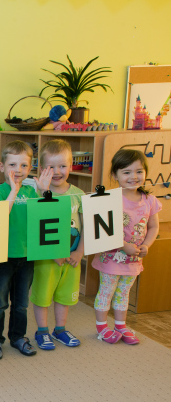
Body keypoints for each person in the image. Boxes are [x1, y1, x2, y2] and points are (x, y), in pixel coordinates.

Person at [0, 140, 52, 359]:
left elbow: (44, 218)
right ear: (2, 167)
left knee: (21, 304)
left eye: (23, 166)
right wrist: (13, 191)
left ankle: (18, 337)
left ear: (30, 168)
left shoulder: (32, 193)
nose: (18, 170)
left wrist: (44, 191)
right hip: (3, 257)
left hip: (26, 257)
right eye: (12, 165)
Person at [92, 149, 161, 345]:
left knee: (124, 293)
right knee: (106, 291)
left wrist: (147, 244)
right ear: (115, 175)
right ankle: (102, 327)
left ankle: (121, 326)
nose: (134, 176)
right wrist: (123, 246)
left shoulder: (149, 200)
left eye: (139, 171)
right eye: (127, 172)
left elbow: (153, 226)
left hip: (134, 259)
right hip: (112, 258)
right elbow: (102, 230)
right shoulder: (109, 198)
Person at [30, 139, 84, 350]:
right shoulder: (36, 194)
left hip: (71, 257)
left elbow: (86, 225)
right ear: (43, 169)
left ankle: (60, 329)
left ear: (71, 166)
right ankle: (42, 330)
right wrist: (53, 252)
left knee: (64, 296)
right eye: (52, 167)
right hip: (47, 258)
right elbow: (37, 227)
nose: (58, 171)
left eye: (63, 166)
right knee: (43, 296)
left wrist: (79, 252)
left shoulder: (78, 195)